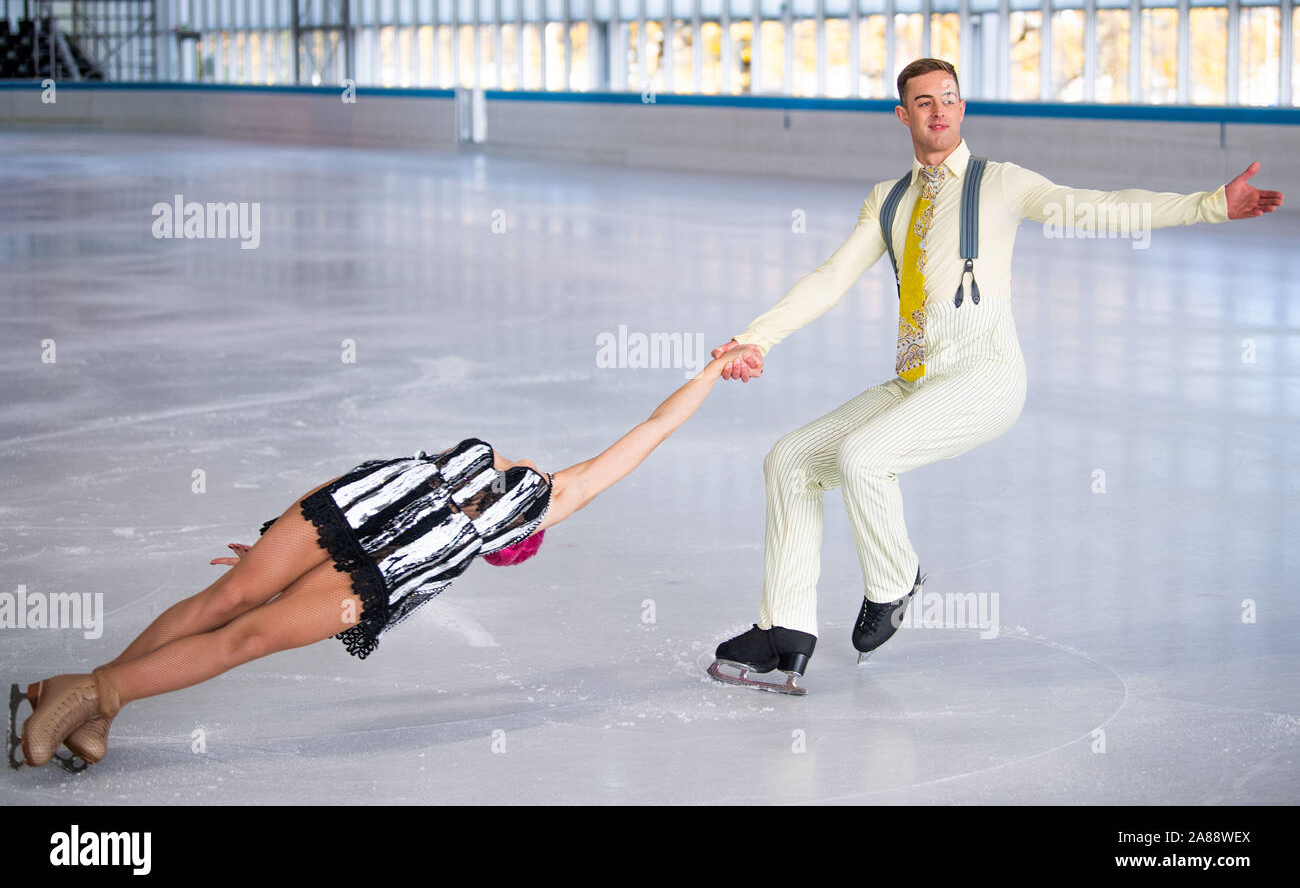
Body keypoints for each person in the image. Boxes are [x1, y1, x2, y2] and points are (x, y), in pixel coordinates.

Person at [707, 56, 1283, 695]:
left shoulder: (999, 183)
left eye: (949, 98)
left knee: (862, 456)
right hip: (915, 382)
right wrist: (756, 338)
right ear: (904, 116)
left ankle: (895, 583)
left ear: (963, 105)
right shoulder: (889, 199)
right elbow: (832, 277)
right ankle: (783, 633)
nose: (940, 111)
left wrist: (1207, 206)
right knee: (789, 458)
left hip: (985, 375)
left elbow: (1093, 207)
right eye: (924, 102)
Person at [10, 344, 762, 771]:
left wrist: (705, 380)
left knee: (246, 635)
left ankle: (88, 696)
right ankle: (88, 706)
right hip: (349, 505)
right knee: (227, 600)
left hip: (382, 574)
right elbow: (361, 476)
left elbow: (651, 431)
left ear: (518, 538)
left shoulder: (550, 497)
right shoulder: (471, 455)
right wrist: (277, 526)